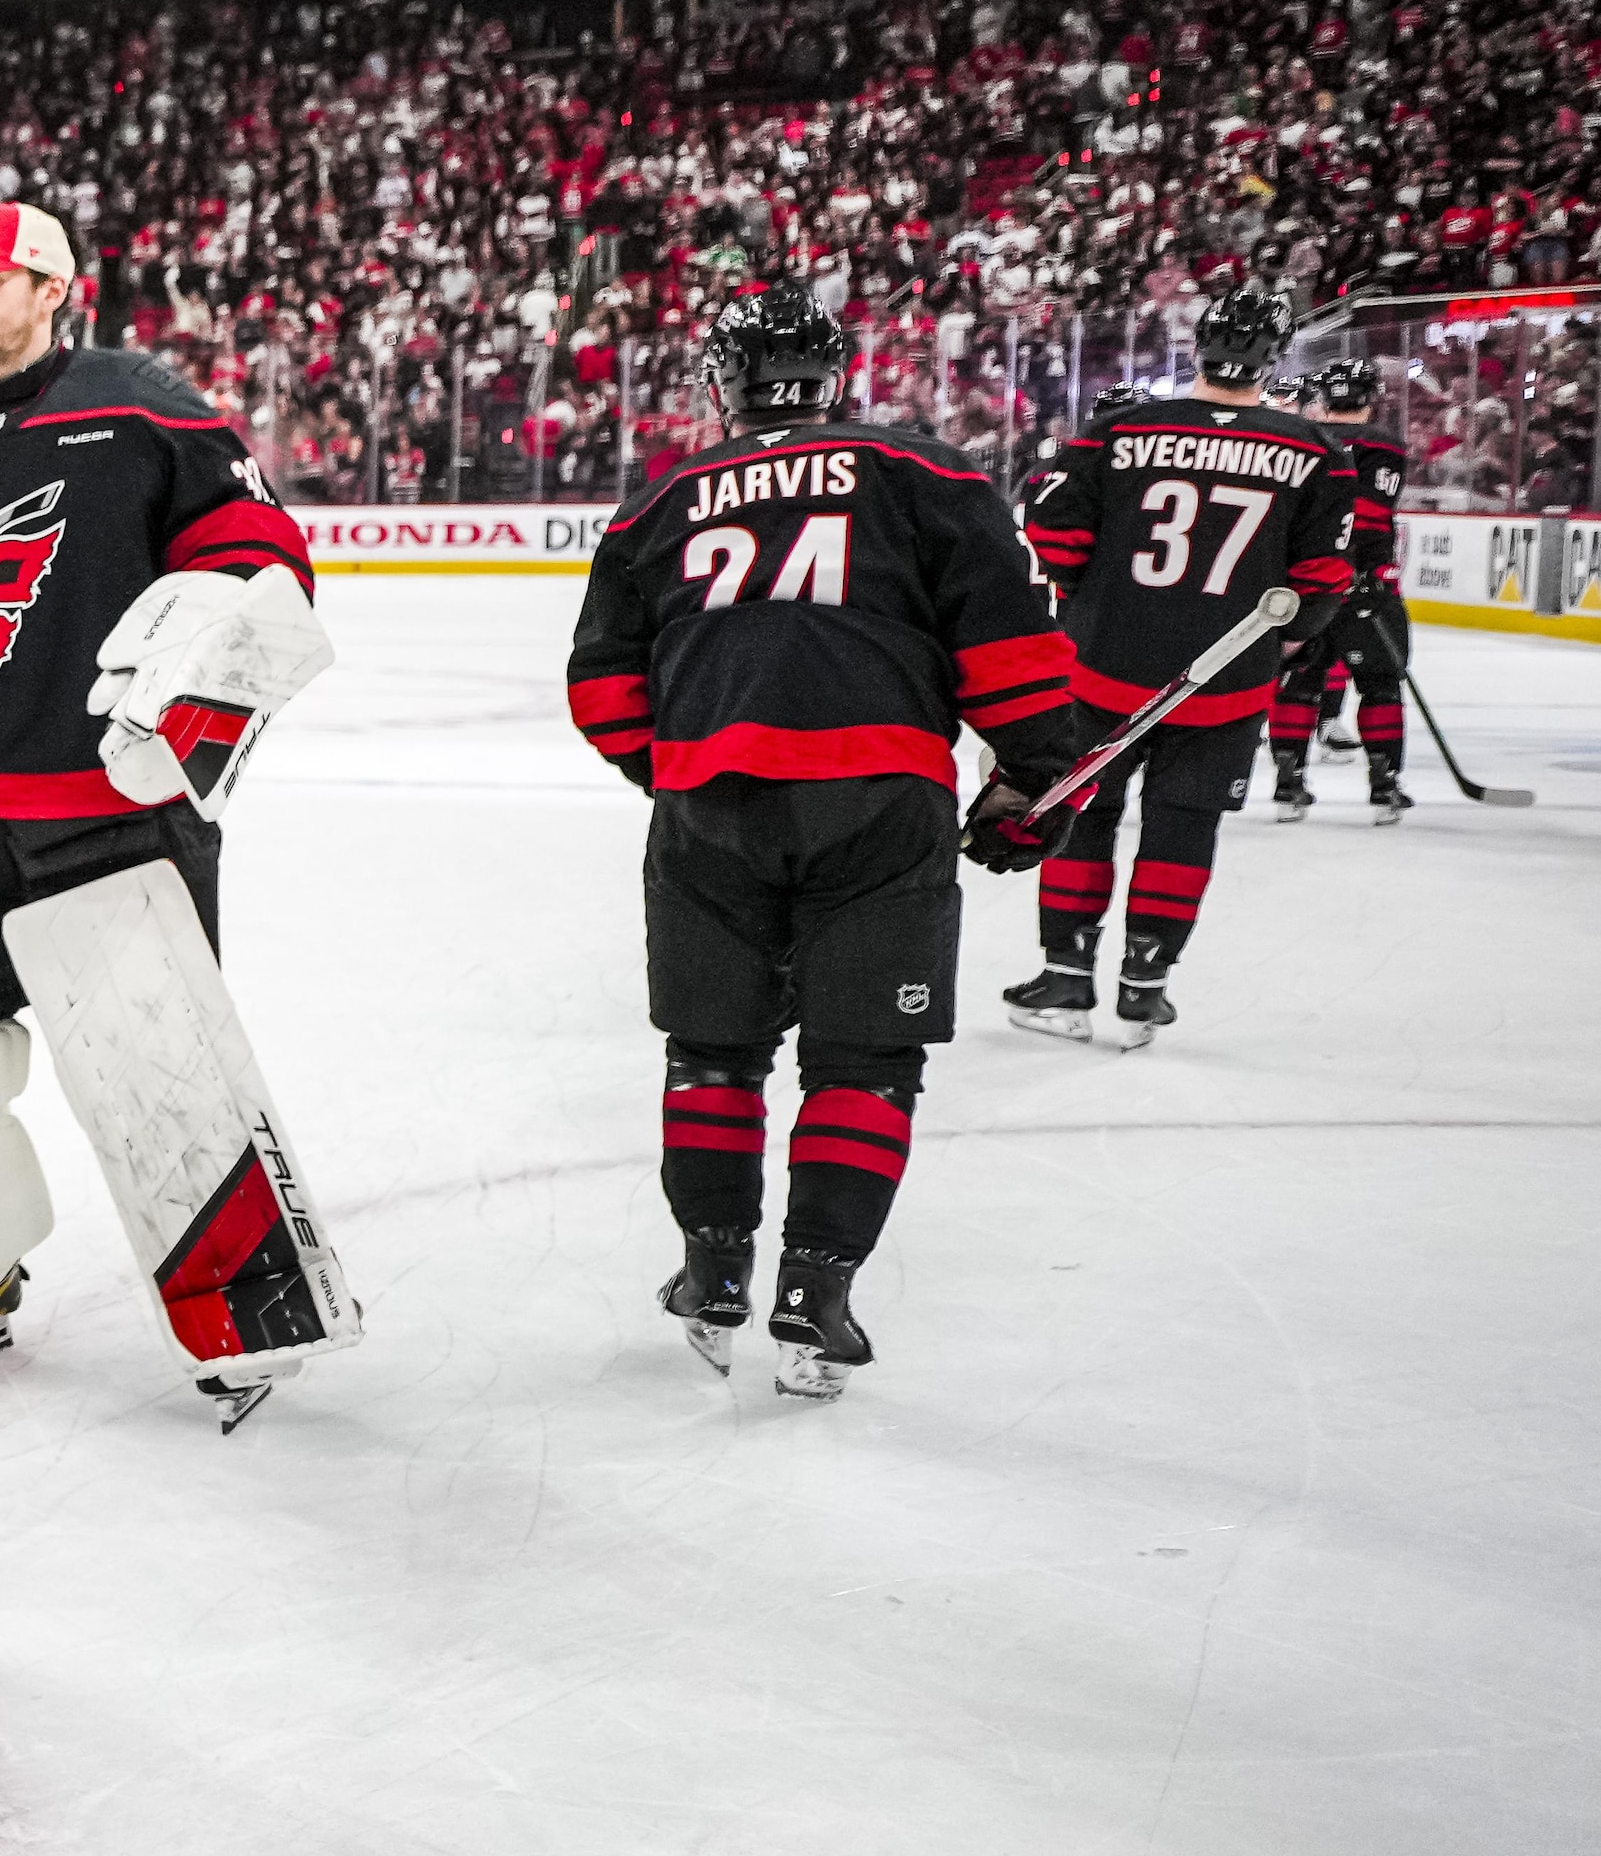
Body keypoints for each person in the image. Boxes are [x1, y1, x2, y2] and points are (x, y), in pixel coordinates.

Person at [0, 199, 355, 1420]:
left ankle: (245, 1306)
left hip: (105, 816)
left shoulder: (144, 404)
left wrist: (218, 634)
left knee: (159, 1076)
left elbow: (258, 553)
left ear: (51, 289)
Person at [567, 284, 1095, 1399]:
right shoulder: (929, 471)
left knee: (711, 1049)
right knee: (863, 1060)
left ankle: (711, 1271)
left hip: (708, 806)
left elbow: (602, 688)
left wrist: (676, 774)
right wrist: (1029, 783)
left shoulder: (654, 501)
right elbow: (1009, 648)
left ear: (726, 385)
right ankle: (816, 1291)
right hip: (879, 797)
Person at [1006, 284, 1354, 1048]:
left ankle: (1066, 977)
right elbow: (1323, 582)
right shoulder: (1314, 452)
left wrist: (1093, 598)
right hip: (1225, 679)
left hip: (1102, 665)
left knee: (1083, 811)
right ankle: (1144, 984)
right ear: (1273, 356)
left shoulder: (1118, 428)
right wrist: (1276, 646)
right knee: (1185, 825)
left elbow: (1053, 533)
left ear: (1201, 345)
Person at [1265, 355, 1412, 823]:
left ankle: (1288, 783)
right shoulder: (1384, 444)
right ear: (1371, 398)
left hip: (1304, 587)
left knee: (1297, 683)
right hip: (1364, 587)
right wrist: (1364, 573)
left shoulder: (1300, 439)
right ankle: (1384, 784)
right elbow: (1367, 518)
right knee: (1380, 683)